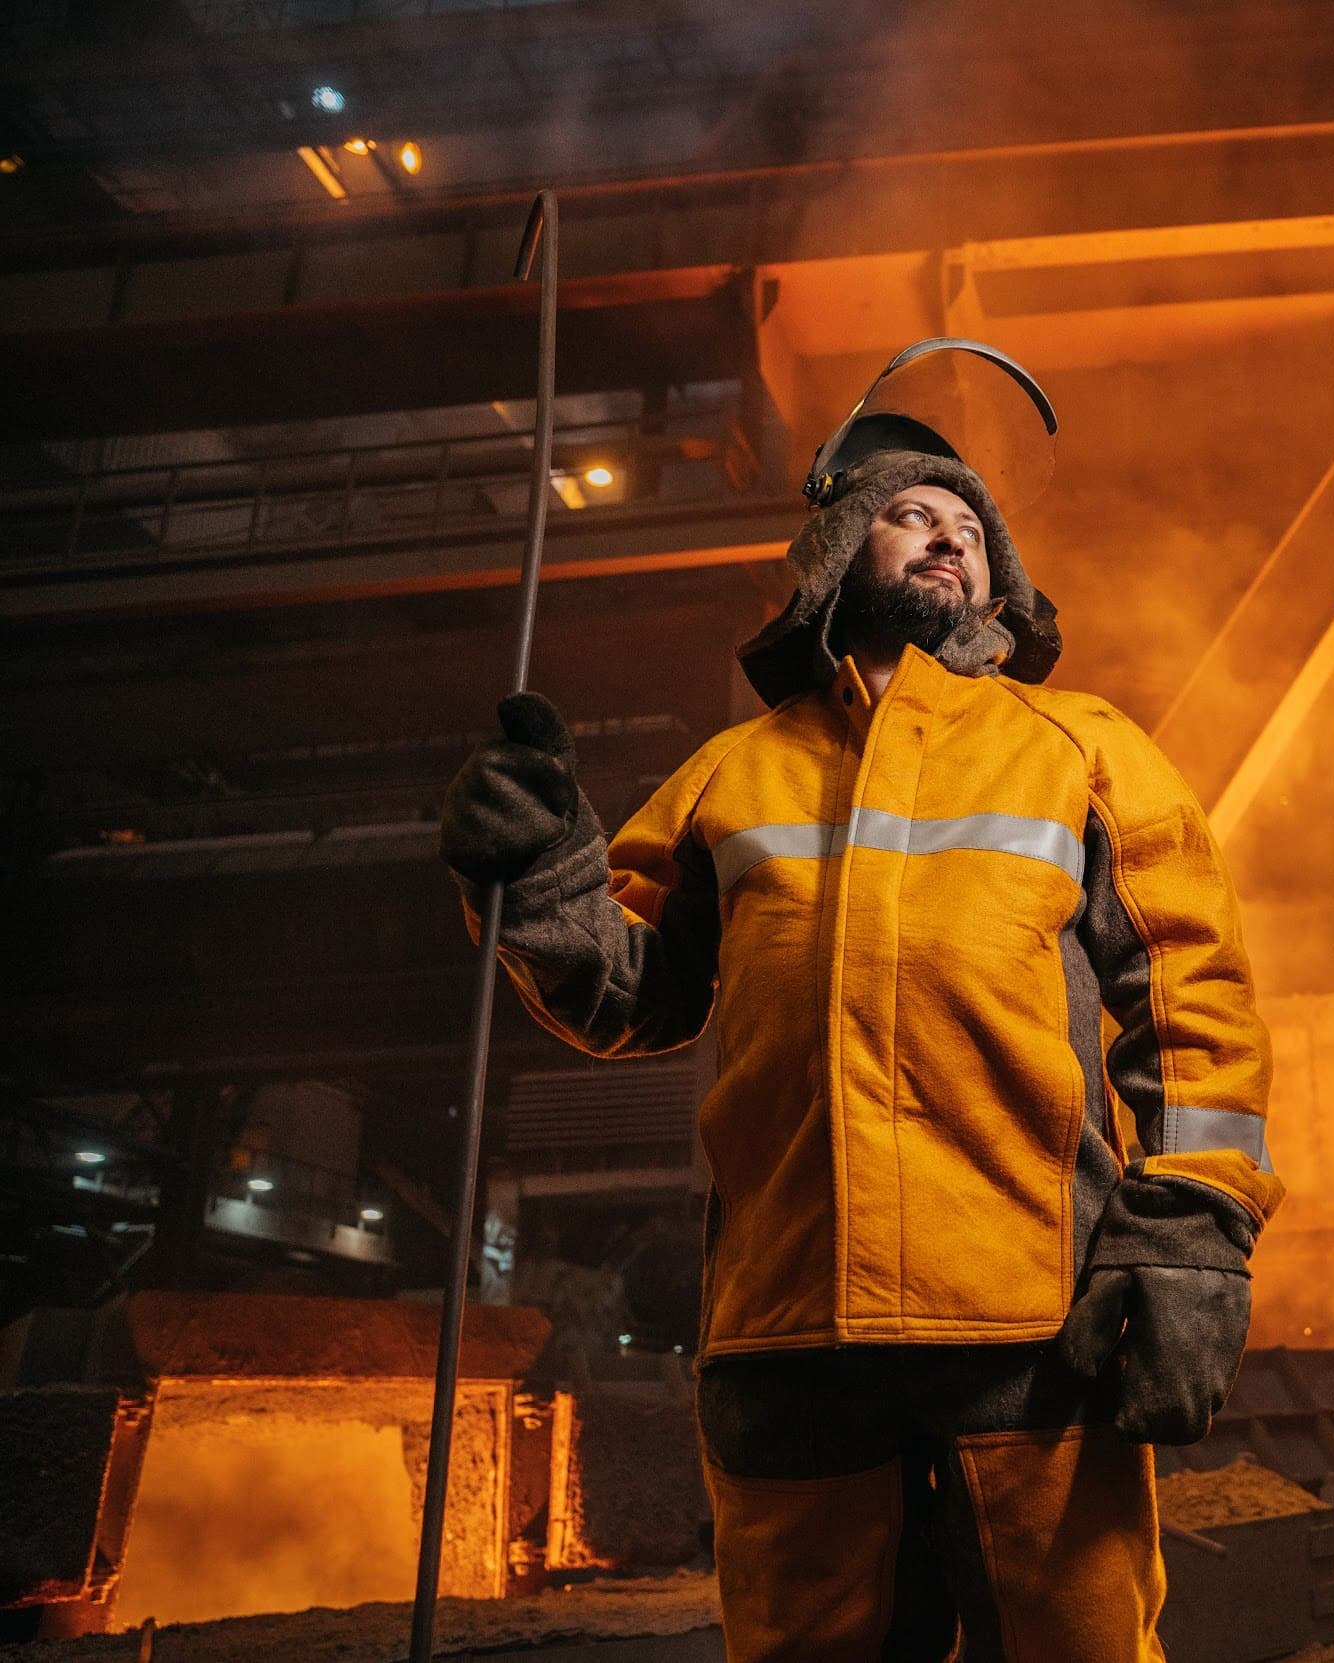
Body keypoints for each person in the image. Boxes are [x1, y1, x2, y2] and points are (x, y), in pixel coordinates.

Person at [438, 393, 1281, 1661]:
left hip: (1027, 1321)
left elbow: (1192, 993)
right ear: (835, 557)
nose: (947, 537)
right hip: (789, 1334)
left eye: (967, 527)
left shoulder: (1082, 748)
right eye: (907, 513)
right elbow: (632, 997)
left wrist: (1191, 1227)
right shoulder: (735, 770)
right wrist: (543, 874)